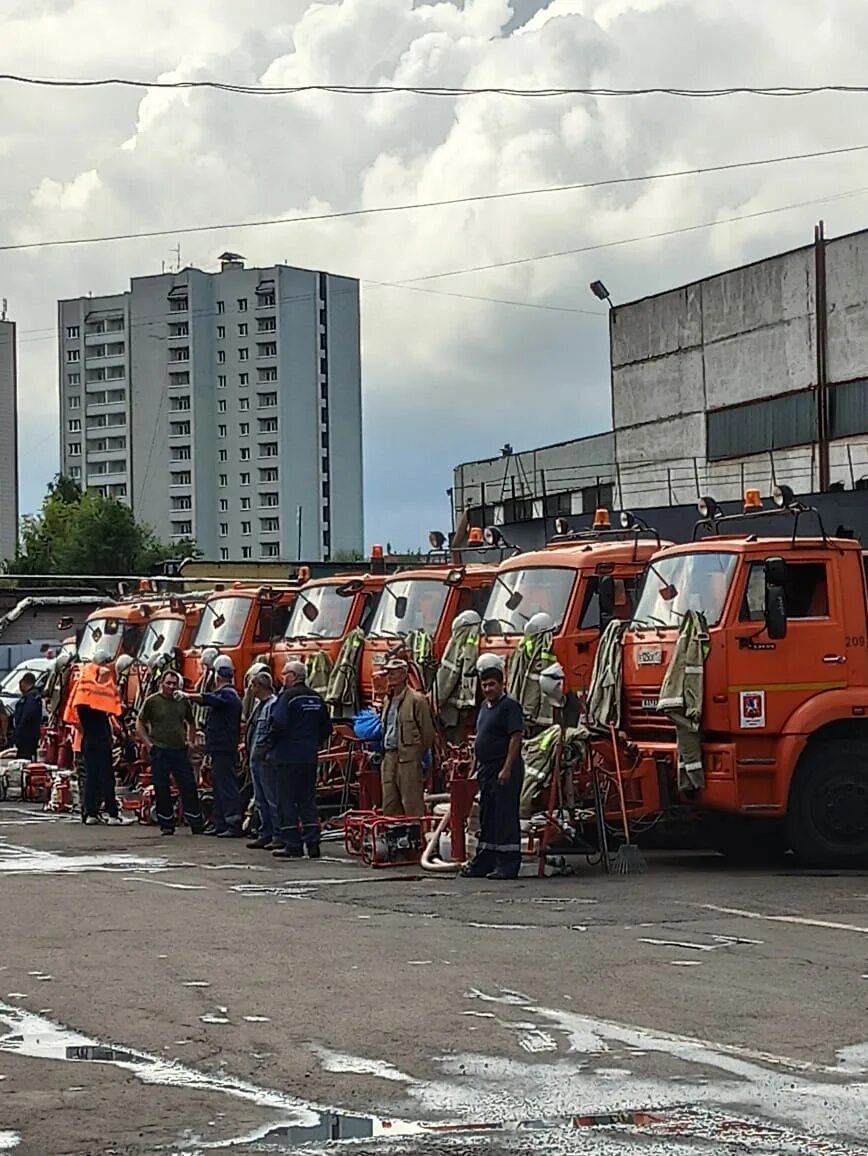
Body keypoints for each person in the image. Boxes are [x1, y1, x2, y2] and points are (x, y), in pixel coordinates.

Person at [461, 665, 525, 880]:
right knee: (487, 816)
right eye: (484, 684)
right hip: (486, 770)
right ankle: (485, 861)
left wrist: (507, 768)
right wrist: (474, 768)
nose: (488, 689)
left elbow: (516, 737)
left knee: (504, 816)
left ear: (502, 684)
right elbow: (481, 738)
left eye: (492, 684)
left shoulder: (509, 707)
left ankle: (508, 865)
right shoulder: (484, 707)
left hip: (504, 769)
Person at [263, 660, 332, 860]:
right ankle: (312, 843)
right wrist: (313, 743)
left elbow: (277, 723)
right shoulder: (316, 698)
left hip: (287, 757)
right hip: (309, 758)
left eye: (285, 674)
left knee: (287, 800)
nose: (282, 677)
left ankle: (292, 844)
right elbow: (327, 728)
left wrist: (270, 746)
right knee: (307, 800)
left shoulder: (287, 697)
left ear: (293, 676)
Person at [136, 670, 204, 836]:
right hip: (159, 750)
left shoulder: (182, 701)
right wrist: (148, 744)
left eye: (174, 684)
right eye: (168, 683)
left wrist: (190, 740)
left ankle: (195, 822)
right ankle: (166, 823)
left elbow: (191, 721)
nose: (171, 687)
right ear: (161, 683)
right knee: (161, 787)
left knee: (188, 785)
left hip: (179, 751)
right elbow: (140, 722)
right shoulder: (152, 701)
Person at [187, 659, 243, 838]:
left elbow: (209, 699)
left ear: (217, 678)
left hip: (224, 747)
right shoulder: (227, 694)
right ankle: (220, 823)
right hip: (219, 747)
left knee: (226, 785)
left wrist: (188, 696)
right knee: (218, 785)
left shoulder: (228, 695)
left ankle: (233, 823)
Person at [69, 650, 124, 826]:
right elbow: (111, 710)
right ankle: (112, 814)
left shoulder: (83, 691)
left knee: (91, 777)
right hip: (100, 740)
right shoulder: (101, 693)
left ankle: (90, 813)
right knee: (106, 777)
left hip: (87, 740)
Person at [379, 658, 434, 817]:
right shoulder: (387, 700)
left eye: (393, 672)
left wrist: (416, 755)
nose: (389, 676)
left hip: (408, 760)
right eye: (388, 672)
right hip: (389, 757)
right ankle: (394, 837)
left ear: (404, 675)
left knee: (412, 803)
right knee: (389, 803)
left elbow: (427, 734)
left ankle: (416, 838)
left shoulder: (417, 700)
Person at [244, 670, 281, 850]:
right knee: (260, 799)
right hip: (256, 759)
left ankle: (278, 834)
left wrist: (267, 752)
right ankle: (265, 833)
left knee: (271, 798)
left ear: (259, 686)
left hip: (266, 760)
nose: (251, 689)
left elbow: (272, 731)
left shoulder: (273, 705)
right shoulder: (260, 705)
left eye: (253, 685)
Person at [10, 673, 42, 762]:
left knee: (23, 760)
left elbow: (28, 716)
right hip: (29, 735)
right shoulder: (33, 696)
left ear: (23, 683)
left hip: (26, 736)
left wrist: (19, 732)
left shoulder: (30, 698)